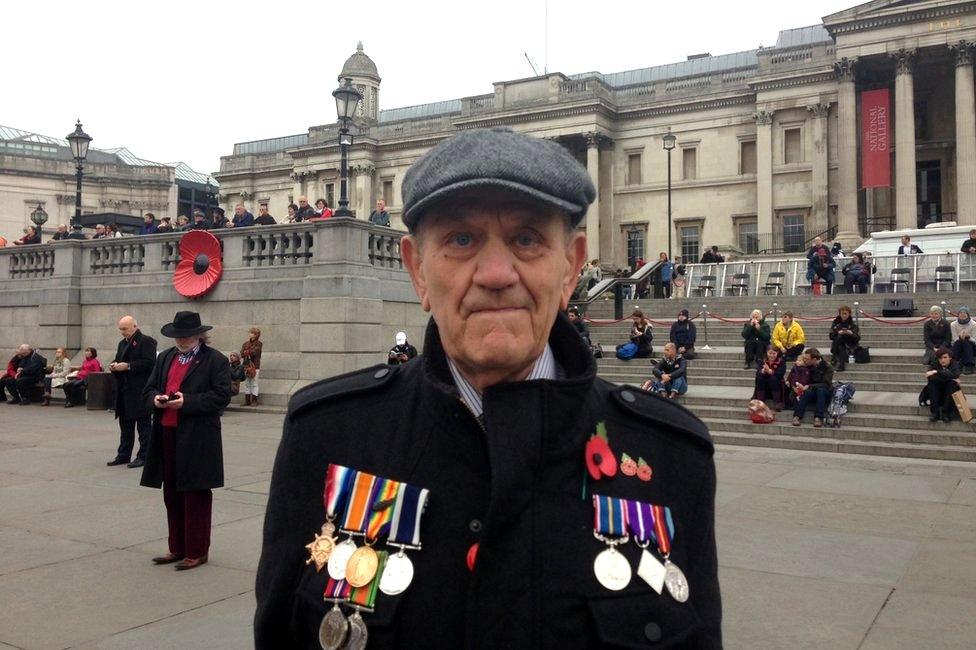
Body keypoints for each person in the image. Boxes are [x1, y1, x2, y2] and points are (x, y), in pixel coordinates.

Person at [254, 127, 721, 647]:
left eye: (526, 239)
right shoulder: (327, 435)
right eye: (461, 239)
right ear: (417, 271)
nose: (496, 273)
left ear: (570, 267)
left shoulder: (672, 456)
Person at [140, 311, 231, 571]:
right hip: (166, 432)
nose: (181, 341)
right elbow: (148, 389)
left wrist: (187, 402)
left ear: (199, 335)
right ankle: (177, 547)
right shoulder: (166, 357)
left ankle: (197, 550)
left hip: (198, 436)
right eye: (177, 336)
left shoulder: (215, 360)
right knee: (172, 492)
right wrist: (156, 399)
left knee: (195, 493)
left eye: (186, 336)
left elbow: (221, 396)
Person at [107, 316, 159, 469]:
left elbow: (149, 363)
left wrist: (128, 366)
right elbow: (118, 359)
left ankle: (144, 456)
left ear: (135, 326)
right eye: (121, 329)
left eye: (125, 329)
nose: (123, 332)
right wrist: (114, 366)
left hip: (139, 391)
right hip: (124, 391)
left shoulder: (147, 341)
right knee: (125, 426)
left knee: (143, 427)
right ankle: (123, 454)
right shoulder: (122, 343)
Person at [791, 348, 833, 428]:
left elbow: (826, 384)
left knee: (820, 390)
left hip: (824, 391)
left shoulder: (828, 367)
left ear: (814, 359)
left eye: (807, 359)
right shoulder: (809, 366)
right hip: (812, 390)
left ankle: (818, 417)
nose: (805, 361)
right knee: (808, 392)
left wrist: (809, 386)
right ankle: (797, 416)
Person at [924, 347, 962, 422]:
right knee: (932, 381)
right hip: (938, 391)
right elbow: (929, 375)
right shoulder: (935, 364)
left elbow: (955, 374)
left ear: (950, 358)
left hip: (950, 392)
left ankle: (946, 413)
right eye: (940, 358)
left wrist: (937, 372)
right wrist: (945, 375)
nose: (943, 360)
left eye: (945, 357)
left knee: (952, 383)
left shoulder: (955, 364)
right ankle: (935, 412)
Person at [828, 306, 860, 372]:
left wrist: (851, 333)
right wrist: (838, 333)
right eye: (842, 314)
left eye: (846, 314)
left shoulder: (853, 324)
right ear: (840, 314)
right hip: (839, 344)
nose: (844, 315)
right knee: (840, 343)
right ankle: (841, 365)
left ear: (849, 314)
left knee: (841, 344)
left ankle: (834, 358)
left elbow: (857, 338)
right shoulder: (836, 323)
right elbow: (831, 336)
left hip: (850, 345)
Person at [241, 327, 263, 407]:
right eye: (250, 332)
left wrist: (247, 351)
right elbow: (242, 354)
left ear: (256, 335)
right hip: (246, 365)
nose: (250, 334)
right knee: (247, 383)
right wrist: (246, 352)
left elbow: (255, 352)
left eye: (251, 333)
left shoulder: (259, 343)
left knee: (254, 383)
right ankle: (247, 401)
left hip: (255, 366)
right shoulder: (245, 343)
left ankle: (254, 400)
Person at [951, 306, 976, 374]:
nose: (962, 314)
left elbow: (974, 340)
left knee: (966, 342)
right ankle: (956, 364)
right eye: (960, 313)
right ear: (958, 314)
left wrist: (968, 336)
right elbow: (954, 339)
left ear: (967, 315)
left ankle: (968, 365)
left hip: (972, 346)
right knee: (960, 342)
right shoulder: (953, 324)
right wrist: (960, 336)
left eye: (964, 313)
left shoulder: (973, 324)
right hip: (958, 344)